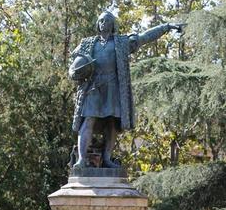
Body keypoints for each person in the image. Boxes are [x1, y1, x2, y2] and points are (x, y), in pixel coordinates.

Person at [69, 11, 184, 169]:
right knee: (88, 119)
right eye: (101, 20)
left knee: (112, 123)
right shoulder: (87, 43)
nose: (104, 23)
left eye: (107, 21)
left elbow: (144, 37)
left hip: (113, 88)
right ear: (98, 23)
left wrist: (166, 27)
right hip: (94, 88)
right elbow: (74, 62)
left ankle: (107, 159)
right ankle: (81, 160)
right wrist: (74, 71)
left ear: (113, 24)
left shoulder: (121, 42)